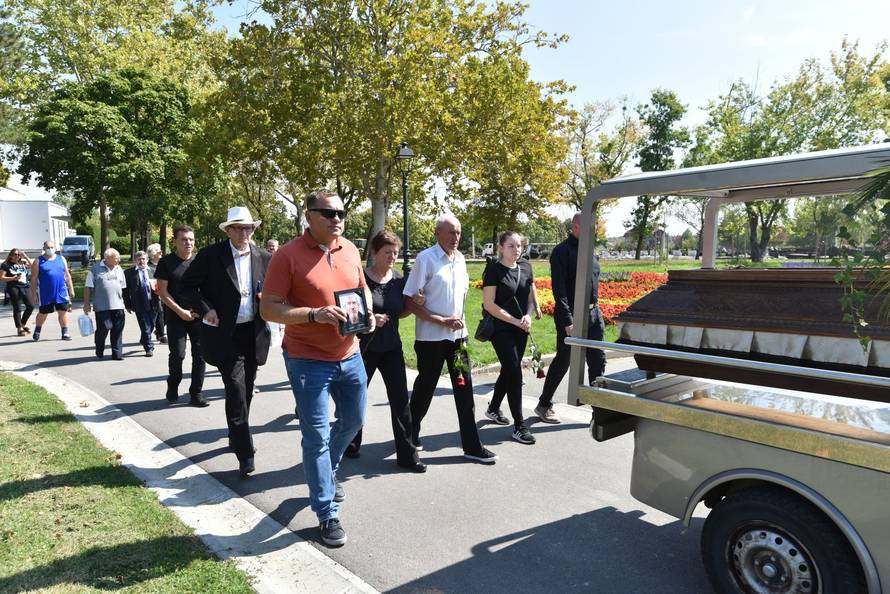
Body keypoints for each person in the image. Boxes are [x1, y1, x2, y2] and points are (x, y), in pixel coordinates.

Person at [260, 189, 375, 547]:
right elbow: (269, 309)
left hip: (350, 353)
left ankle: (327, 470)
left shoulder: (351, 249)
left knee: (354, 420)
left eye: (341, 212)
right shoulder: (287, 256)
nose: (336, 218)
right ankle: (326, 512)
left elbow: (361, 286)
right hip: (308, 359)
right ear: (308, 215)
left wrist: (367, 313)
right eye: (327, 212)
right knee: (316, 436)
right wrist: (313, 315)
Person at [180, 207, 271, 478]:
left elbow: (274, 289)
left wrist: (265, 296)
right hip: (224, 335)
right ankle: (245, 452)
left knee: (246, 389)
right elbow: (186, 286)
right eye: (239, 228)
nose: (244, 233)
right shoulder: (210, 256)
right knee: (234, 387)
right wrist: (205, 308)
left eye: (249, 228)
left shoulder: (264, 256)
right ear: (228, 230)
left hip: (253, 334)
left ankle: (236, 432)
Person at [403, 214, 497, 464]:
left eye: (458, 232)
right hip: (431, 340)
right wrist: (440, 320)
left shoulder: (461, 259)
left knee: (464, 390)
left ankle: (472, 445)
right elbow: (410, 302)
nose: (455, 237)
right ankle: (410, 434)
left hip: (457, 340)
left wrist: (455, 324)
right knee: (424, 389)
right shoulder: (426, 259)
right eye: (450, 232)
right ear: (437, 234)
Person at [344, 230, 425, 472]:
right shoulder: (361, 279)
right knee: (356, 399)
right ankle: (350, 441)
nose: (392, 256)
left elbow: (400, 311)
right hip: (365, 348)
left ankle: (407, 455)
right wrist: (370, 318)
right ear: (374, 252)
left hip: (392, 348)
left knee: (401, 401)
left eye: (396, 253)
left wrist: (414, 305)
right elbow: (350, 314)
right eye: (387, 252)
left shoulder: (399, 279)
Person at [535, 212, 604, 424]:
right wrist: (567, 320)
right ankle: (544, 404)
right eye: (588, 227)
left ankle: (598, 412)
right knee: (564, 361)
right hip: (571, 316)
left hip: (593, 314)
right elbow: (560, 290)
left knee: (597, 360)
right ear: (575, 227)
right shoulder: (561, 252)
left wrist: (596, 312)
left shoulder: (591, 252)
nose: (593, 231)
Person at [482, 231, 542, 444]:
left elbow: (529, 293)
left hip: (521, 326)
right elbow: (489, 304)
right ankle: (519, 425)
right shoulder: (494, 270)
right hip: (501, 328)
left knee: (509, 368)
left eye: (519, 246)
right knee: (515, 370)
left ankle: (493, 408)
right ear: (500, 247)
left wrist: (528, 314)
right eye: (511, 246)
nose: (516, 250)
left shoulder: (525, 266)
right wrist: (515, 321)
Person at [156, 225, 207, 407]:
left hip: (198, 316)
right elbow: (162, 292)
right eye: (184, 239)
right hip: (176, 316)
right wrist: (180, 311)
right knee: (178, 355)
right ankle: (173, 383)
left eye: (191, 239)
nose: (188, 243)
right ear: (175, 242)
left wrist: (203, 310)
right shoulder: (166, 263)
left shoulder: (200, 261)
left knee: (200, 355)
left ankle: (196, 393)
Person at [83, 249, 127, 360]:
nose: (119, 259)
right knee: (104, 328)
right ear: (107, 258)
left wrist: (126, 303)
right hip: (102, 306)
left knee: (118, 329)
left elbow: (123, 287)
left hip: (118, 305)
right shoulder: (95, 269)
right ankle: (99, 348)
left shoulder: (119, 269)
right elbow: (88, 287)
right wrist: (86, 304)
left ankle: (117, 353)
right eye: (116, 257)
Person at [30, 240, 75, 341]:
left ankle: (65, 332)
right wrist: (34, 294)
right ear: (44, 249)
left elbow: (67, 275)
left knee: (63, 311)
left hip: (61, 291)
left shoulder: (61, 259)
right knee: (43, 313)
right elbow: (33, 278)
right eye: (48, 248)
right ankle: (37, 329)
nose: (50, 249)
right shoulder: (38, 261)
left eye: (52, 247)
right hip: (46, 293)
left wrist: (71, 288)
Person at [124, 251, 159, 357]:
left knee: (151, 324)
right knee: (145, 326)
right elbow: (125, 290)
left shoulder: (154, 271)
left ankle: (144, 338)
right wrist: (128, 304)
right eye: (139, 259)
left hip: (154, 302)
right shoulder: (129, 273)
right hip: (139, 303)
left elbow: (161, 285)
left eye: (143, 259)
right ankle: (149, 348)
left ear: (147, 260)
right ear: (135, 261)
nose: (141, 261)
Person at [1, 248, 34, 336]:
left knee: (31, 306)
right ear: (11, 255)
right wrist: (13, 278)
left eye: (19, 254)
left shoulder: (22, 263)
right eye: (15, 254)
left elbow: (32, 266)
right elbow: (1, 277)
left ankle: (22, 324)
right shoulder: (5, 265)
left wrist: (26, 257)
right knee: (17, 308)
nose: (17, 256)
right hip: (14, 287)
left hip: (25, 286)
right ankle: (19, 328)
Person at [146, 243, 167, 344]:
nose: (161, 253)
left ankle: (159, 331)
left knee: (166, 314)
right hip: (155, 294)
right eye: (159, 252)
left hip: (166, 293)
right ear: (153, 255)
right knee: (160, 313)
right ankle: (161, 335)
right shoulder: (148, 267)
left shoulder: (163, 264)